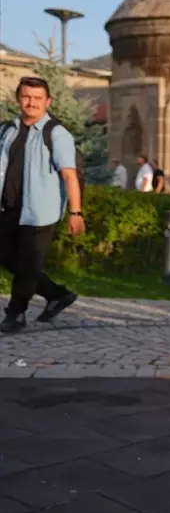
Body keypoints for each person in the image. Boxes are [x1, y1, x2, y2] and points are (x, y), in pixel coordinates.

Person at [0, 76, 85, 333]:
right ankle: (56, 294)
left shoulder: (56, 134)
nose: (32, 102)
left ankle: (15, 315)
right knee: (6, 257)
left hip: (40, 213)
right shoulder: (7, 130)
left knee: (27, 264)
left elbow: (69, 175)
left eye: (38, 98)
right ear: (19, 98)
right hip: (8, 209)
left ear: (47, 101)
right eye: (26, 97)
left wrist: (75, 212)